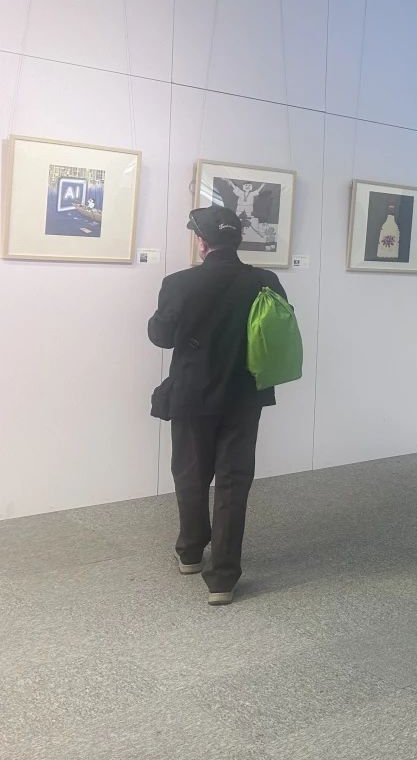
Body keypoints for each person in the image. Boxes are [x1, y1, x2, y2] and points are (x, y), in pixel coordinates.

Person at [147, 205, 287, 605]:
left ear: (202, 242)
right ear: (236, 240)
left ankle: (191, 552)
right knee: (233, 481)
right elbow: (276, 331)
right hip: (244, 395)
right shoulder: (265, 281)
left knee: (190, 474)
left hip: (193, 394)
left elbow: (161, 337)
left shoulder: (179, 283)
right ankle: (223, 578)